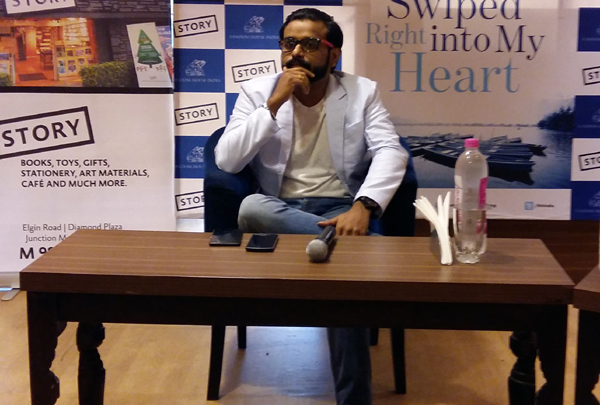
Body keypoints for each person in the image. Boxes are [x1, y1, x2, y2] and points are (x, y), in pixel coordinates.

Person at [215, 7, 408, 405]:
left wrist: (364, 206)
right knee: (251, 207)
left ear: (333, 54)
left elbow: (391, 150)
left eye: (310, 43)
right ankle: (362, 250)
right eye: (290, 43)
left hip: (341, 208)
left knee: (344, 285)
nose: (297, 52)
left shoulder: (362, 91)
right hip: (278, 209)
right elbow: (227, 160)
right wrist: (273, 105)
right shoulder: (257, 91)